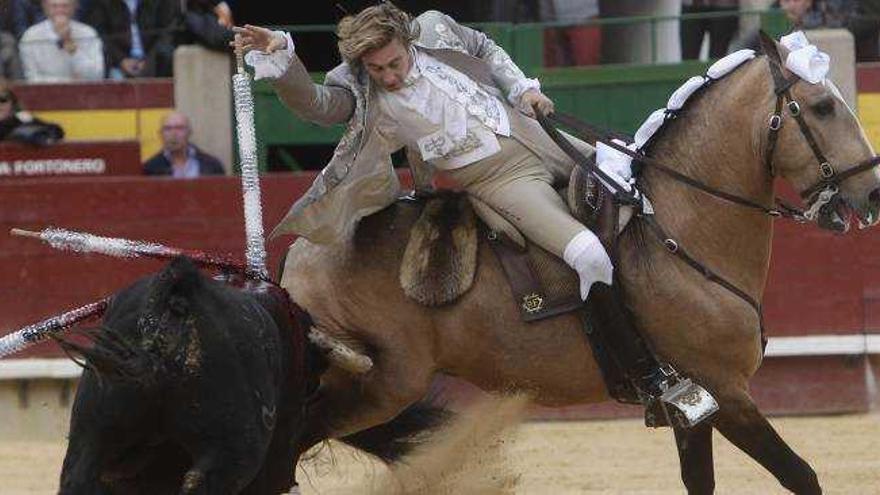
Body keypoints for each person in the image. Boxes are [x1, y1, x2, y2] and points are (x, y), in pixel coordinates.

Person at [237, 2, 672, 402]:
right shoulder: (362, 91)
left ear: (407, 42)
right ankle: (642, 373)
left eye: (394, 63)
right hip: (503, 180)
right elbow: (318, 105)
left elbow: (483, 45)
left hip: (539, 134)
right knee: (589, 255)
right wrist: (284, 60)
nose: (388, 76)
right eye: (376, 69)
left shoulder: (434, 27)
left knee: (640, 189)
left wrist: (522, 89)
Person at [86, 0, 177, 78]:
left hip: (155, 61)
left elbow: (167, 33)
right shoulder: (101, 3)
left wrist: (148, 63)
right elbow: (101, 36)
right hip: (117, 63)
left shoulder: (162, 2)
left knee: (167, 54)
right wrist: (121, 60)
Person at [19, 0, 104, 82]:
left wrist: (72, 49)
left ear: (74, 7)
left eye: (65, 6)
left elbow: (96, 76)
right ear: (45, 7)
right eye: (54, 6)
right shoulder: (30, 36)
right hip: (44, 94)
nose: (60, 10)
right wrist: (67, 82)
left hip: (83, 92)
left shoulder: (88, 33)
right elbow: (31, 79)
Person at [142, 111, 225, 177]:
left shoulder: (212, 165)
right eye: (168, 129)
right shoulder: (150, 168)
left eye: (179, 128)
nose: (173, 134)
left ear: (189, 132)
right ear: (160, 134)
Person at [0, 79, 65, 143]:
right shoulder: (15, 120)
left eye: (2, 99)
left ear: (12, 102)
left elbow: (54, 130)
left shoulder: (20, 117)